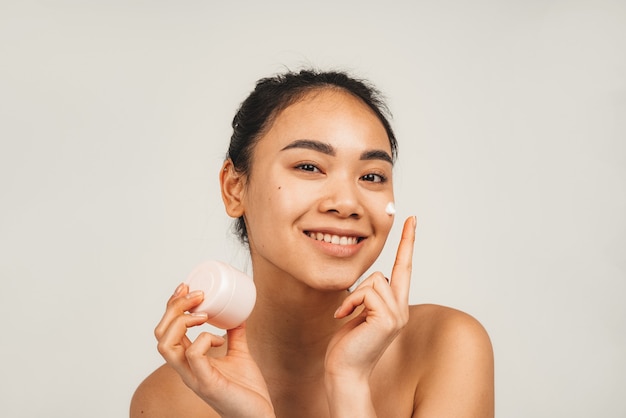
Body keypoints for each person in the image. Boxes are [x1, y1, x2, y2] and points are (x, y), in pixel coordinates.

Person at [130, 69, 494, 417]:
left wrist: (348, 383)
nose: (347, 203)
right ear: (234, 188)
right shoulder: (169, 400)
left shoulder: (446, 347)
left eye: (371, 176)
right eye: (309, 167)